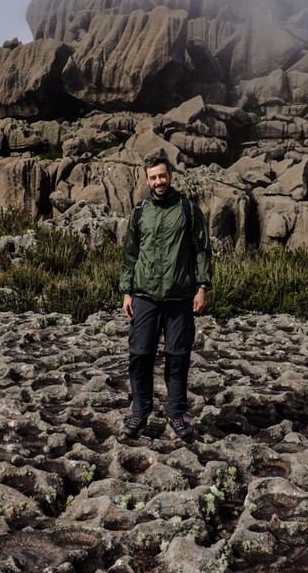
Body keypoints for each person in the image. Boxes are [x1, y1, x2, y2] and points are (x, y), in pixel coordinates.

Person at [119, 155, 213, 440]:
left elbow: (202, 250)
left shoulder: (187, 209)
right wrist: (127, 291)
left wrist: (202, 287)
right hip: (145, 296)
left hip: (179, 297)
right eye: (153, 178)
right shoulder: (140, 211)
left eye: (162, 176)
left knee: (178, 357)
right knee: (140, 356)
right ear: (147, 181)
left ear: (170, 176)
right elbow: (130, 254)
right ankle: (140, 413)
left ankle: (176, 412)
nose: (158, 181)